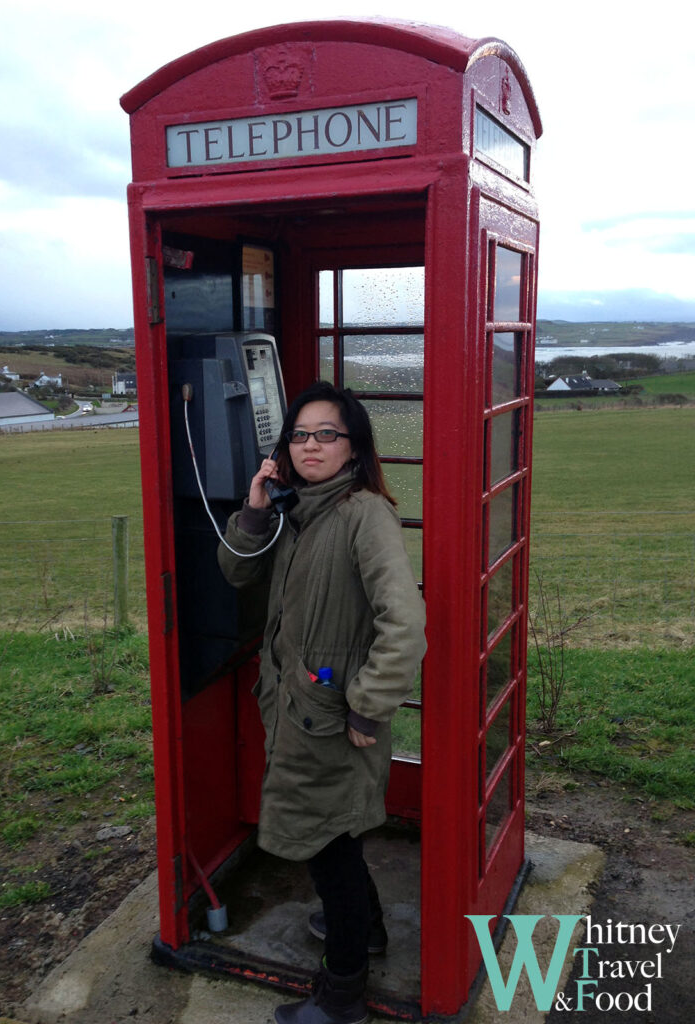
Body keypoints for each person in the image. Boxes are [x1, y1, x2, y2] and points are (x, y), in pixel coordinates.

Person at [217, 381, 426, 1024]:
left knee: (328, 849)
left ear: (354, 447)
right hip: (297, 709)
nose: (311, 445)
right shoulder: (297, 510)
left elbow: (406, 623)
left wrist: (369, 703)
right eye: (300, 435)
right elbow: (235, 573)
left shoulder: (363, 515)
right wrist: (256, 508)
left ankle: (341, 998)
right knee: (332, 838)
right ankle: (364, 931)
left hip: (334, 719)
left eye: (327, 434)